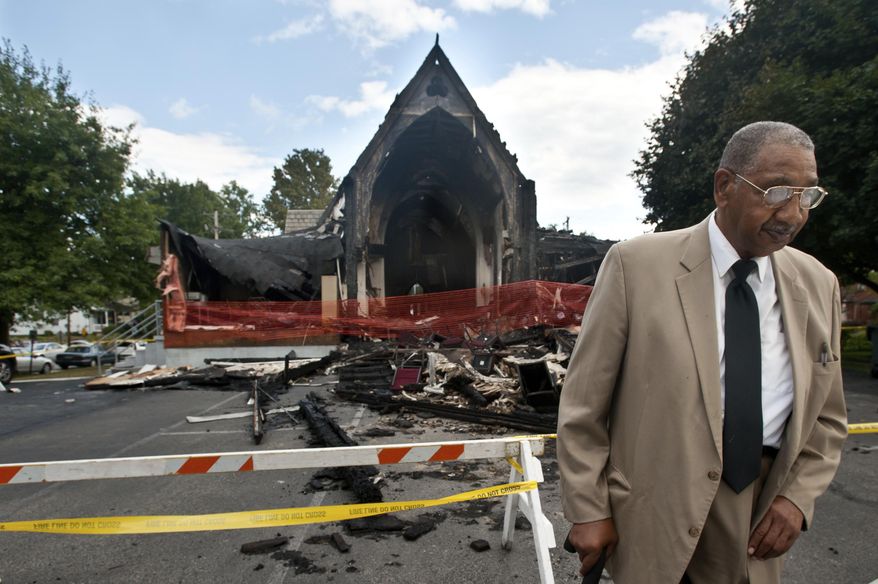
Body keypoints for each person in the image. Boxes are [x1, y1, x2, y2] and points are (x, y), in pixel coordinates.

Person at [557, 121, 847, 584]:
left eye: (807, 195)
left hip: (759, 518)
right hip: (654, 510)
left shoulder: (818, 284)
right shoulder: (635, 266)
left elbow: (828, 419)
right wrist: (588, 509)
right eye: (775, 193)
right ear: (724, 186)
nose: (792, 215)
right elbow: (583, 406)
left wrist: (796, 499)